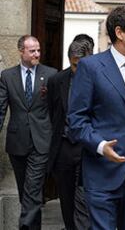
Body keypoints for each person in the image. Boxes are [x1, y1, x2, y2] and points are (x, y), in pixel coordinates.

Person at [68, 6, 125, 229]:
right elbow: (76, 121)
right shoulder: (91, 67)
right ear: (119, 32)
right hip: (102, 172)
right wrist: (100, 145)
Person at [0, 35, 57, 229]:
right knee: (27, 194)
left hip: (41, 142)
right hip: (17, 142)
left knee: (32, 191)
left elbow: (56, 109)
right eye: (32, 51)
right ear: (21, 52)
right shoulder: (7, 76)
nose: (37, 54)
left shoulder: (50, 74)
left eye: (38, 50)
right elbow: (1, 109)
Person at [47, 35, 94, 230]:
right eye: (74, 65)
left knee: (85, 199)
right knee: (66, 199)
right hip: (64, 149)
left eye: (81, 65)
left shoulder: (98, 79)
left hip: (87, 148)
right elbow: (52, 113)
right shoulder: (56, 80)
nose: (77, 70)